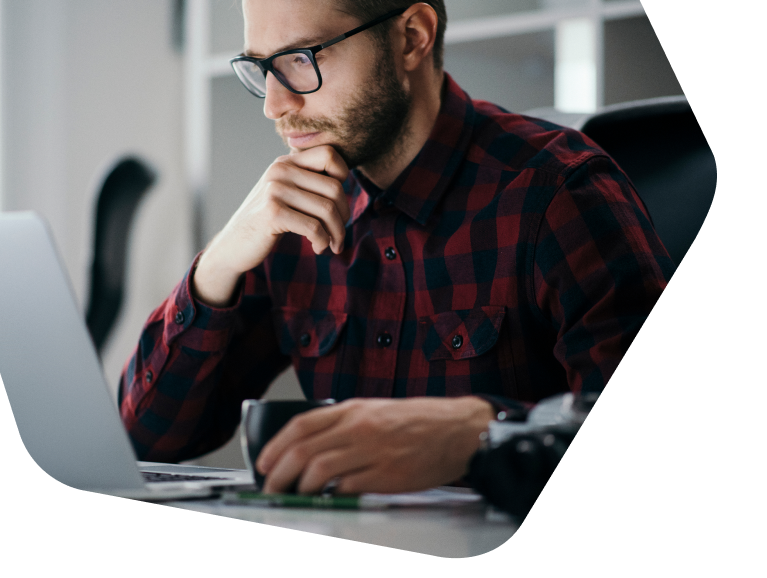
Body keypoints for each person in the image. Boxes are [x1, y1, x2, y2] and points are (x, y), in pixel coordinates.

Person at [118, 0, 674, 496]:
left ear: (412, 37)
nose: (274, 105)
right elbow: (148, 439)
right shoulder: (291, 218)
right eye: (262, 68)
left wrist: (481, 435)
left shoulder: (560, 193)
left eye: (301, 59)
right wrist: (219, 262)